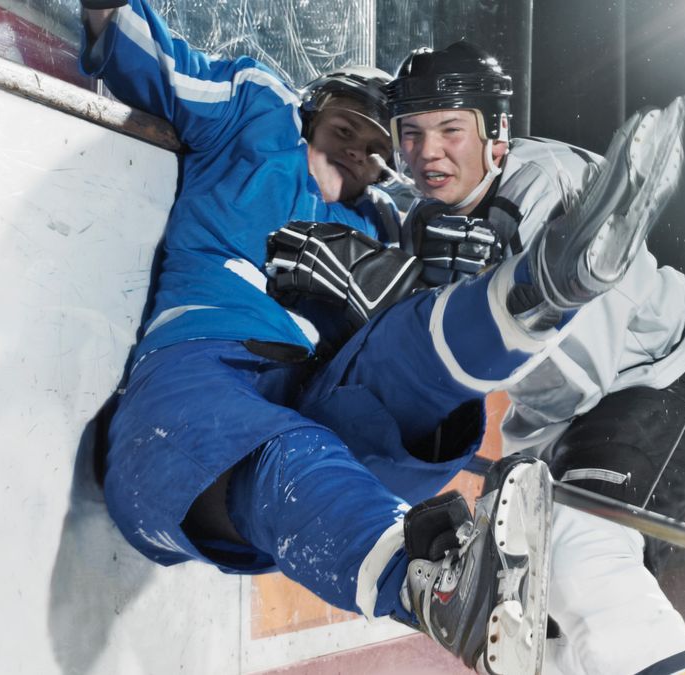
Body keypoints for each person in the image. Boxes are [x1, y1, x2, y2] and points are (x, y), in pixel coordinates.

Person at [75, 3, 604, 672]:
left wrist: (442, 280)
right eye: (347, 125)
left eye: (380, 145)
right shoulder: (255, 112)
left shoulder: (388, 221)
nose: (359, 148)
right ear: (312, 109)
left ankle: (519, 301)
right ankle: (436, 580)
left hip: (318, 401)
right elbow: (147, 55)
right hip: (205, 371)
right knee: (287, 450)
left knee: (413, 337)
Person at [382, 42, 685, 675]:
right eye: (411, 132)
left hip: (660, 384)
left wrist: (493, 292)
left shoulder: (541, 187)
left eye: (450, 129)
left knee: (580, 550)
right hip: (564, 422)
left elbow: (583, 371)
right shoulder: (428, 219)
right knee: (531, 609)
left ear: (497, 134)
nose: (428, 151)